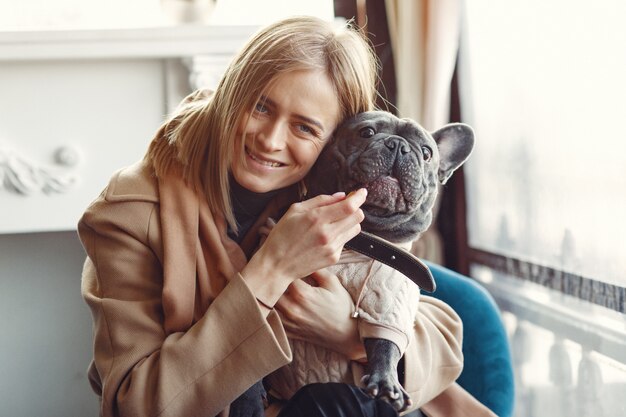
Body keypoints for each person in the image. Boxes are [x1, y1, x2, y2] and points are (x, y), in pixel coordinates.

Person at [78, 16, 472, 417]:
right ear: (230, 92)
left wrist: (347, 333)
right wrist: (272, 269)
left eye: (304, 127)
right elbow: (136, 404)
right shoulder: (128, 214)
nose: (270, 140)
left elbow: (440, 332)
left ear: (336, 137)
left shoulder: (327, 187)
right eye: (261, 107)